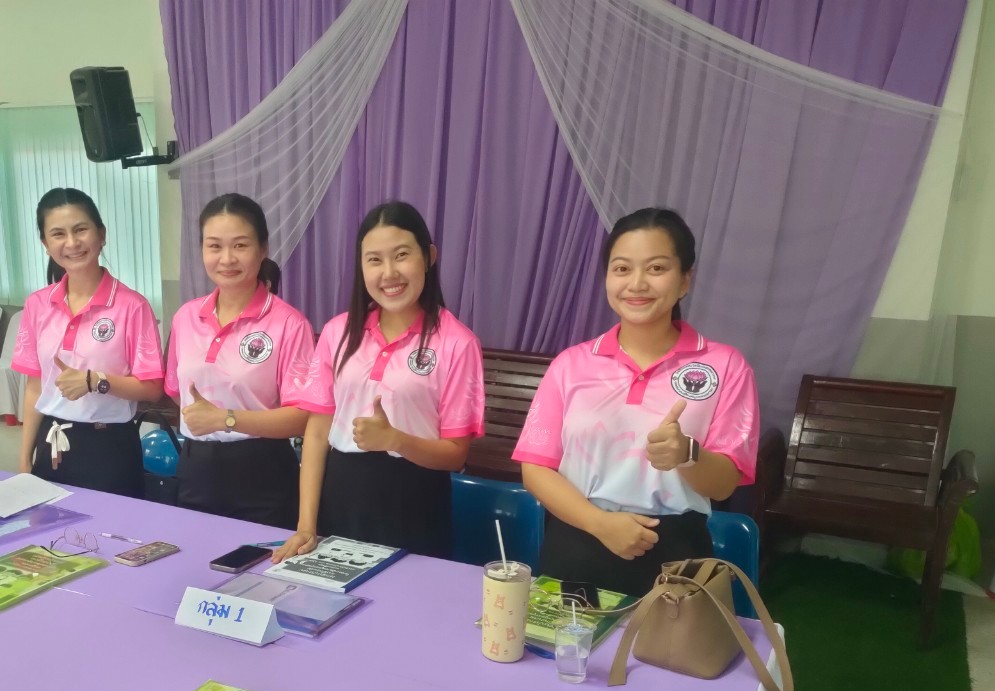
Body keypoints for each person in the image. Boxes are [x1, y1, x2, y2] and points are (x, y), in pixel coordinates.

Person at [512, 207, 758, 596]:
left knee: (673, 641)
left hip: (676, 554)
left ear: (684, 280)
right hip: (577, 541)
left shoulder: (725, 365)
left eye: (656, 268)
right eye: (622, 269)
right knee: (567, 637)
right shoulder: (571, 365)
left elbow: (725, 483)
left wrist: (686, 454)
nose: (637, 283)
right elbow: (536, 468)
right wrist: (600, 524)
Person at [274, 201, 485, 561]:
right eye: (374, 260)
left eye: (401, 255)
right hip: (341, 494)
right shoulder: (338, 332)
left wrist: (395, 439)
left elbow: (455, 454)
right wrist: (306, 525)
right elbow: (317, 433)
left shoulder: (457, 343)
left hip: (415, 500)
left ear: (428, 257)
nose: (389, 273)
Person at [164, 194, 313, 526]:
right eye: (214, 246)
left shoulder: (289, 324)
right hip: (196, 468)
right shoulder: (186, 317)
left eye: (240, 245)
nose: (227, 259)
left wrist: (225, 419)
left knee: (263, 559)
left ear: (263, 248)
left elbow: (302, 417)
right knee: (196, 555)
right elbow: (176, 391)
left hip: (263, 472)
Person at [11, 188, 164, 498]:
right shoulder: (37, 305)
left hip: (109, 449)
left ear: (101, 234)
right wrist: (25, 460)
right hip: (51, 443)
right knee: (47, 528)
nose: (72, 242)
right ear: (45, 244)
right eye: (58, 234)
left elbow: (152, 389)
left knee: (112, 529)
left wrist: (96, 381)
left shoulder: (132, 306)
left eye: (81, 229)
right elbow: (35, 387)